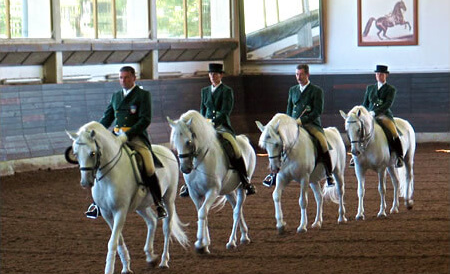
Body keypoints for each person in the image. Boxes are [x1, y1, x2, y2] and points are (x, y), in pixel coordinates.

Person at [85, 66, 167, 219]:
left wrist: (127, 135)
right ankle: (97, 202)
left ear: (134, 78)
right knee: (99, 161)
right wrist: (96, 132)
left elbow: (145, 120)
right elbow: (107, 117)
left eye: (127, 77)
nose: (123, 80)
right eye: (121, 78)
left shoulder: (143, 95)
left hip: (135, 137)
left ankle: (158, 202)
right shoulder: (116, 96)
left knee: (148, 166)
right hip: (115, 136)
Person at [179, 63, 256, 198]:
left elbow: (226, 111)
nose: (213, 77)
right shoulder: (205, 91)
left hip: (222, 127)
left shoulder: (227, 91)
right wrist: (202, 125)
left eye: (215, 74)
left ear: (221, 75)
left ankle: (245, 180)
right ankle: (188, 183)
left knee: (235, 149)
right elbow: (202, 111)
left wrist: (212, 124)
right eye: (211, 74)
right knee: (193, 147)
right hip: (206, 129)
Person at [263, 64, 335, 187]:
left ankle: (329, 174)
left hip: (311, 125)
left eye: (301, 74)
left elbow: (317, 111)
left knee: (323, 143)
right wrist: (288, 123)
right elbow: (289, 110)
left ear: (307, 75)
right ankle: (274, 173)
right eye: (297, 74)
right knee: (279, 144)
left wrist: (302, 121)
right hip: (293, 126)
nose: (299, 77)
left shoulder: (316, 91)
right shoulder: (293, 90)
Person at [349, 64, 404, 168]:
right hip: (368, 115)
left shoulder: (390, 89)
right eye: (377, 74)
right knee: (358, 130)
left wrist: (375, 112)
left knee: (393, 132)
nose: (379, 76)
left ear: (386, 76)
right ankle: (355, 155)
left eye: (382, 74)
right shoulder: (370, 88)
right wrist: (363, 113)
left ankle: (399, 156)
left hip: (383, 115)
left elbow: (388, 104)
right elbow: (365, 103)